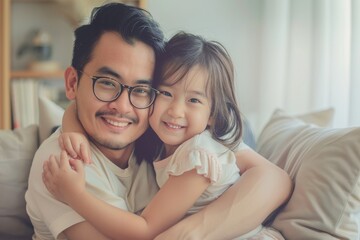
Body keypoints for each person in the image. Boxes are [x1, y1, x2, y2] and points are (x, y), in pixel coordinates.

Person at [26, 2, 292, 240]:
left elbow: (274, 179)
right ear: (73, 83)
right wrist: (70, 120)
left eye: (141, 90)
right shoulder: (61, 166)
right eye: (107, 83)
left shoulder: (172, 140)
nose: (122, 106)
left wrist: (190, 232)